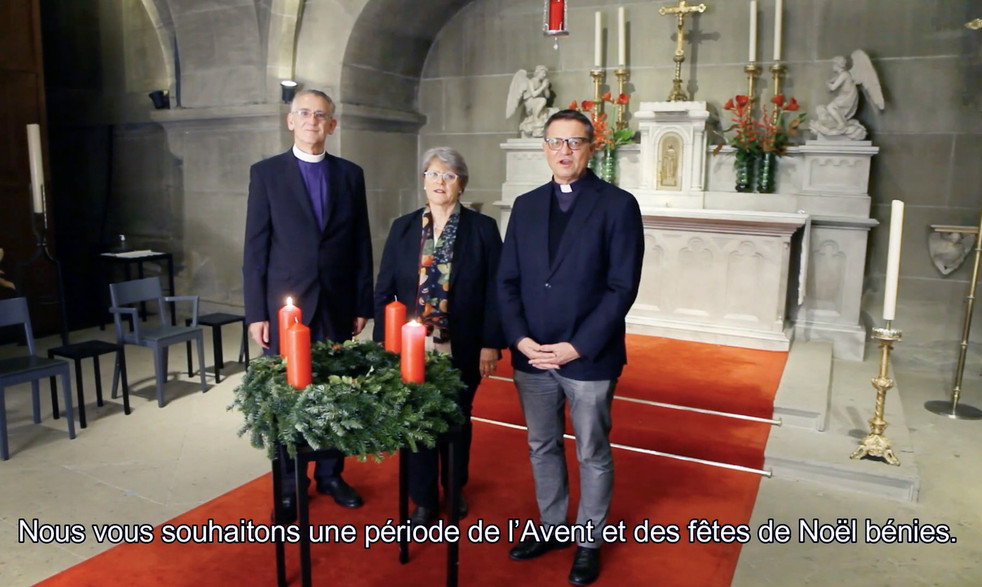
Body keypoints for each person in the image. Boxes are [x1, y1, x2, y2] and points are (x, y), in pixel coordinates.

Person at [497, 110, 644, 586]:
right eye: (556, 142)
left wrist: (575, 347)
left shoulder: (618, 205)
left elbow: (622, 288)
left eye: (574, 143)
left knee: (592, 452)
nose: (564, 151)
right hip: (531, 354)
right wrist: (520, 339)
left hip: (588, 356)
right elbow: (509, 281)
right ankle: (552, 526)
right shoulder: (525, 204)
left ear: (590, 148)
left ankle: (588, 541)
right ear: (544, 147)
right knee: (542, 446)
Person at [243, 89, 373, 522]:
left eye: (322, 115)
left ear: (332, 125)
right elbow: (255, 248)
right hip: (287, 309)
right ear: (290, 121)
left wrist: (362, 302)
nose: (313, 120)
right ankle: (287, 484)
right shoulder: (266, 174)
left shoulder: (350, 174)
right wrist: (256, 313)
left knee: (335, 392)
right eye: (305, 113)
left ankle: (331, 475)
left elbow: (360, 243)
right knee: (288, 397)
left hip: (336, 304)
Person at [373, 147, 504, 525]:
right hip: (412, 344)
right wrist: (386, 344)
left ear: (461, 183)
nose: (439, 182)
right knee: (415, 419)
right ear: (423, 181)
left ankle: (454, 488)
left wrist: (490, 342)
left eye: (448, 175)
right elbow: (384, 291)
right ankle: (424, 499)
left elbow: (497, 289)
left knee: (457, 418)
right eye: (432, 175)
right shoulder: (403, 227)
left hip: (462, 343)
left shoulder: (482, 229)